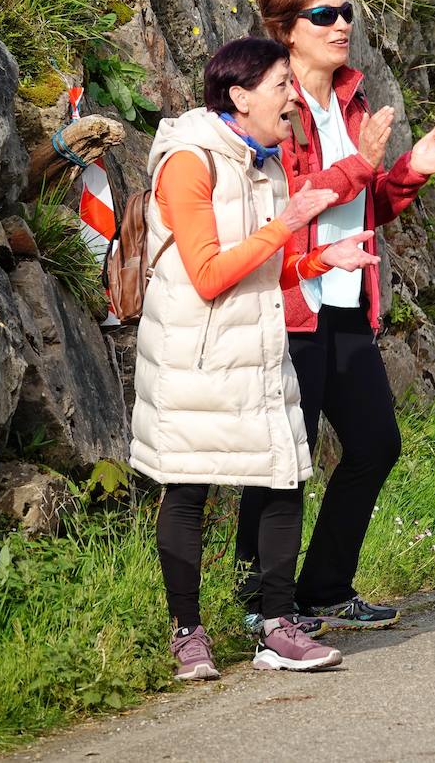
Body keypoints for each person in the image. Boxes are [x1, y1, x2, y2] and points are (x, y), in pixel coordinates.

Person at [130, 37, 380, 678]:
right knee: (188, 489)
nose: (292, 97)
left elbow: (265, 265)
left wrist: (323, 259)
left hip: (260, 349)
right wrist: (291, 220)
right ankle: (188, 634)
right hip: (199, 357)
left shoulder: (261, 162)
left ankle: (277, 626)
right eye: (280, 86)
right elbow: (210, 273)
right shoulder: (189, 162)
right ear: (239, 97)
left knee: (282, 479)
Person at [246, 0, 435, 631]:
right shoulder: (277, 108)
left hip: (347, 298)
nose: (341, 24)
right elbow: (298, 203)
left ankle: (323, 587)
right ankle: (259, 604)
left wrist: (405, 173)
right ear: (286, 31)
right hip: (292, 300)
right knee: (282, 460)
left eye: (345, 12)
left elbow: (361, 203)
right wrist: (366, 162)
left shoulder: (351, 101)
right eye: (323, 15)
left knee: (375, 443)